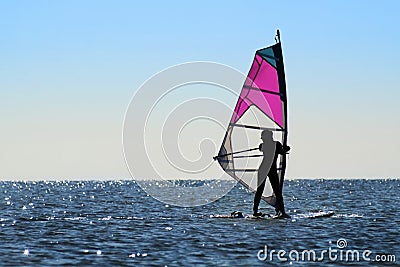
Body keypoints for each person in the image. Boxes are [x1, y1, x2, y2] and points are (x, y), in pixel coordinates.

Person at [253, 130, 290, 218]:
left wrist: (285, 149)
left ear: (268, 137)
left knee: (275, 191)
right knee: (265, 191)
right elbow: (282, 152)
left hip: (266, 169)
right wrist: (286, 148)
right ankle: (282, 212)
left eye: (262, 137)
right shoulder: (275, 144)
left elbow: (279, 151)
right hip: (267, 169)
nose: (261, 138)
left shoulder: (266, 145)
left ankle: (281, 211)